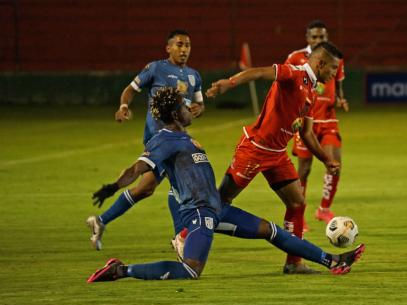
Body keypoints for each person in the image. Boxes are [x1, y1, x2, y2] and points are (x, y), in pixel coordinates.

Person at [87, 87, 365, 282]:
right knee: (191, 271)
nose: (189, 109)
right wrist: (113, 186)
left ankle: (333, 261)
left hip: (215, 209)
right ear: (174, 114)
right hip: (199, 213)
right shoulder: (163, 139)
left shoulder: (185, 138)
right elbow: (139, 168)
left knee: (270, 230)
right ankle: (122, 271)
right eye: (184, 106)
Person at [205, 42, 343, 274]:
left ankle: (293, 262)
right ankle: (185, 235)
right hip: (254, 149)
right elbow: (258, 72)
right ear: (320, 63)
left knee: (297, 203)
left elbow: (306, 133)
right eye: (333, 68)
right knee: (220, 203)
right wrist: (228, 84)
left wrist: (326, 160)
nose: (334, 73)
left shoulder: (311, 90)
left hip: (277, 155)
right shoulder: (293, 73)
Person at [86, 29, 204, 250]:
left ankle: (100, 221)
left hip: (178, 137)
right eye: (179, 45)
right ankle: (181, 238)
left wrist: (198, 109)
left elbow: (199, 105)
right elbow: (130, 90)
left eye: (187, 45)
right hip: (160, 139)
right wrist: (123, 107)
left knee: (146, 188)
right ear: (168, 47)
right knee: (179, 185)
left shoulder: (194, 76)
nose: (184, 49)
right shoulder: (156, 68)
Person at [286, 20, 348, 224]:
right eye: (314, 37)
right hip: (305, 120)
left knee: (334, 163)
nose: (318, 40)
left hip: (328, 118)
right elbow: (285, 83)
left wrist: (340, 98)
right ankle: (299, 216)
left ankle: (324, 209)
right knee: (304, 170)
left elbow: (337, 83)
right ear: (307, 38)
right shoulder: (295, 57)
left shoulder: (335, 58)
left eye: (322, 36)